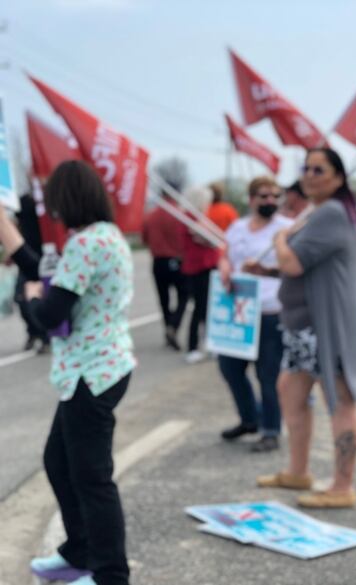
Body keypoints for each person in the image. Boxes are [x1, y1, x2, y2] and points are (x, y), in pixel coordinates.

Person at [0, 160, 136, 585]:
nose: (50, 208)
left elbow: (50, 312)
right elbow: (41, 269)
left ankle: (110, 573)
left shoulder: (86, 244)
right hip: (98, 366)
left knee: (91, 476)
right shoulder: (104, 236)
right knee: (58, 462)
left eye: (53, 198)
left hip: (92, 373)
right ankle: (79, 553)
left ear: (66, 198)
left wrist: (32, 296)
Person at [256, 148, 356, 509]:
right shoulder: (317, 213)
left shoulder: (332, 214)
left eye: (318, 169)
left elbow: (293, 263)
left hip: (326, 329)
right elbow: (304, 267)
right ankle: (298, 471)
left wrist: (278, 242)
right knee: (290, 391)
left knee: (339, 401)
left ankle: (342, 486)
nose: (309, 175)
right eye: (306, 168)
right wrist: (267, 270)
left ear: (338, 178)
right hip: (302, 328)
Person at [217, 176, 292, 452]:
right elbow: (225, 254)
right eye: (263, 196)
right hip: (239, 311)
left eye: (274, 196)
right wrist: (224, 266)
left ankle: (271, 429)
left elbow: (295, 267)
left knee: (268, 374)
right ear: (251, 200)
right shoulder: (237, 228)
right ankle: (249, 419)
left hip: (271, 311)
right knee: (230, 368)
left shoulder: (286, 229)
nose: (269, 201)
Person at [179, 185, 221, 364]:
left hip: (205, 267)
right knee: (200, 308)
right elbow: (210, 239)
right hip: (200, 268)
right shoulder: (190, 219)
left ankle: (209, 343)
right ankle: (193, 346)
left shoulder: (197, 218)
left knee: (207, 308)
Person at [142, 192, 186, 350]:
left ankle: (168, 326)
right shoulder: (180, 215)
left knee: (163, 299)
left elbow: (144, 239)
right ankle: (173, 325)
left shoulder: (151, 216)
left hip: (158, 261)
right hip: (176, 260)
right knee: (184, 295)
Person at [13, 191, 50, 352]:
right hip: (27, 253)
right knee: (21, 297)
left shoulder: (47, 201)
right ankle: (34, 333)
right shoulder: (22, 203)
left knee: (36, 296)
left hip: (46, 254)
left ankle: (45, 335)